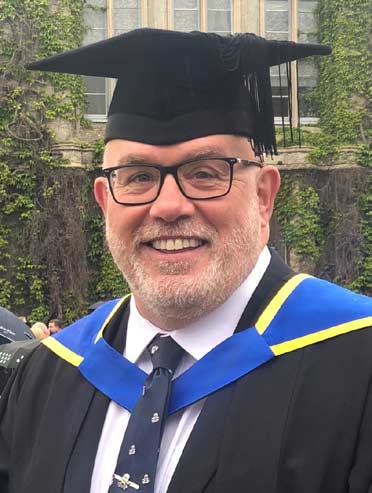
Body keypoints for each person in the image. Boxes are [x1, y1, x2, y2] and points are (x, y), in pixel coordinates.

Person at [0, 28, 371, 493]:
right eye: (137, 177)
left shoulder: (359, 363)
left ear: (263, 195)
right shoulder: (48, 375)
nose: (168, 206)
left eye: (204, 173)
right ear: (104, 201)